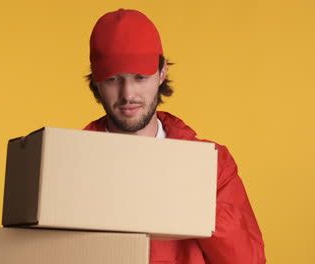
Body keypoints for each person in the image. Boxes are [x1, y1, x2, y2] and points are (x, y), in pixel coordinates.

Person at [83, 8, 266, 264]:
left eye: (139, 77)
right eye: (114, 79)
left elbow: (248, 260)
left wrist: (191, 207)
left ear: (161, 73)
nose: (128, 94)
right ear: (97, 83)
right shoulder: (69, 164)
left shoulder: (213, 164)